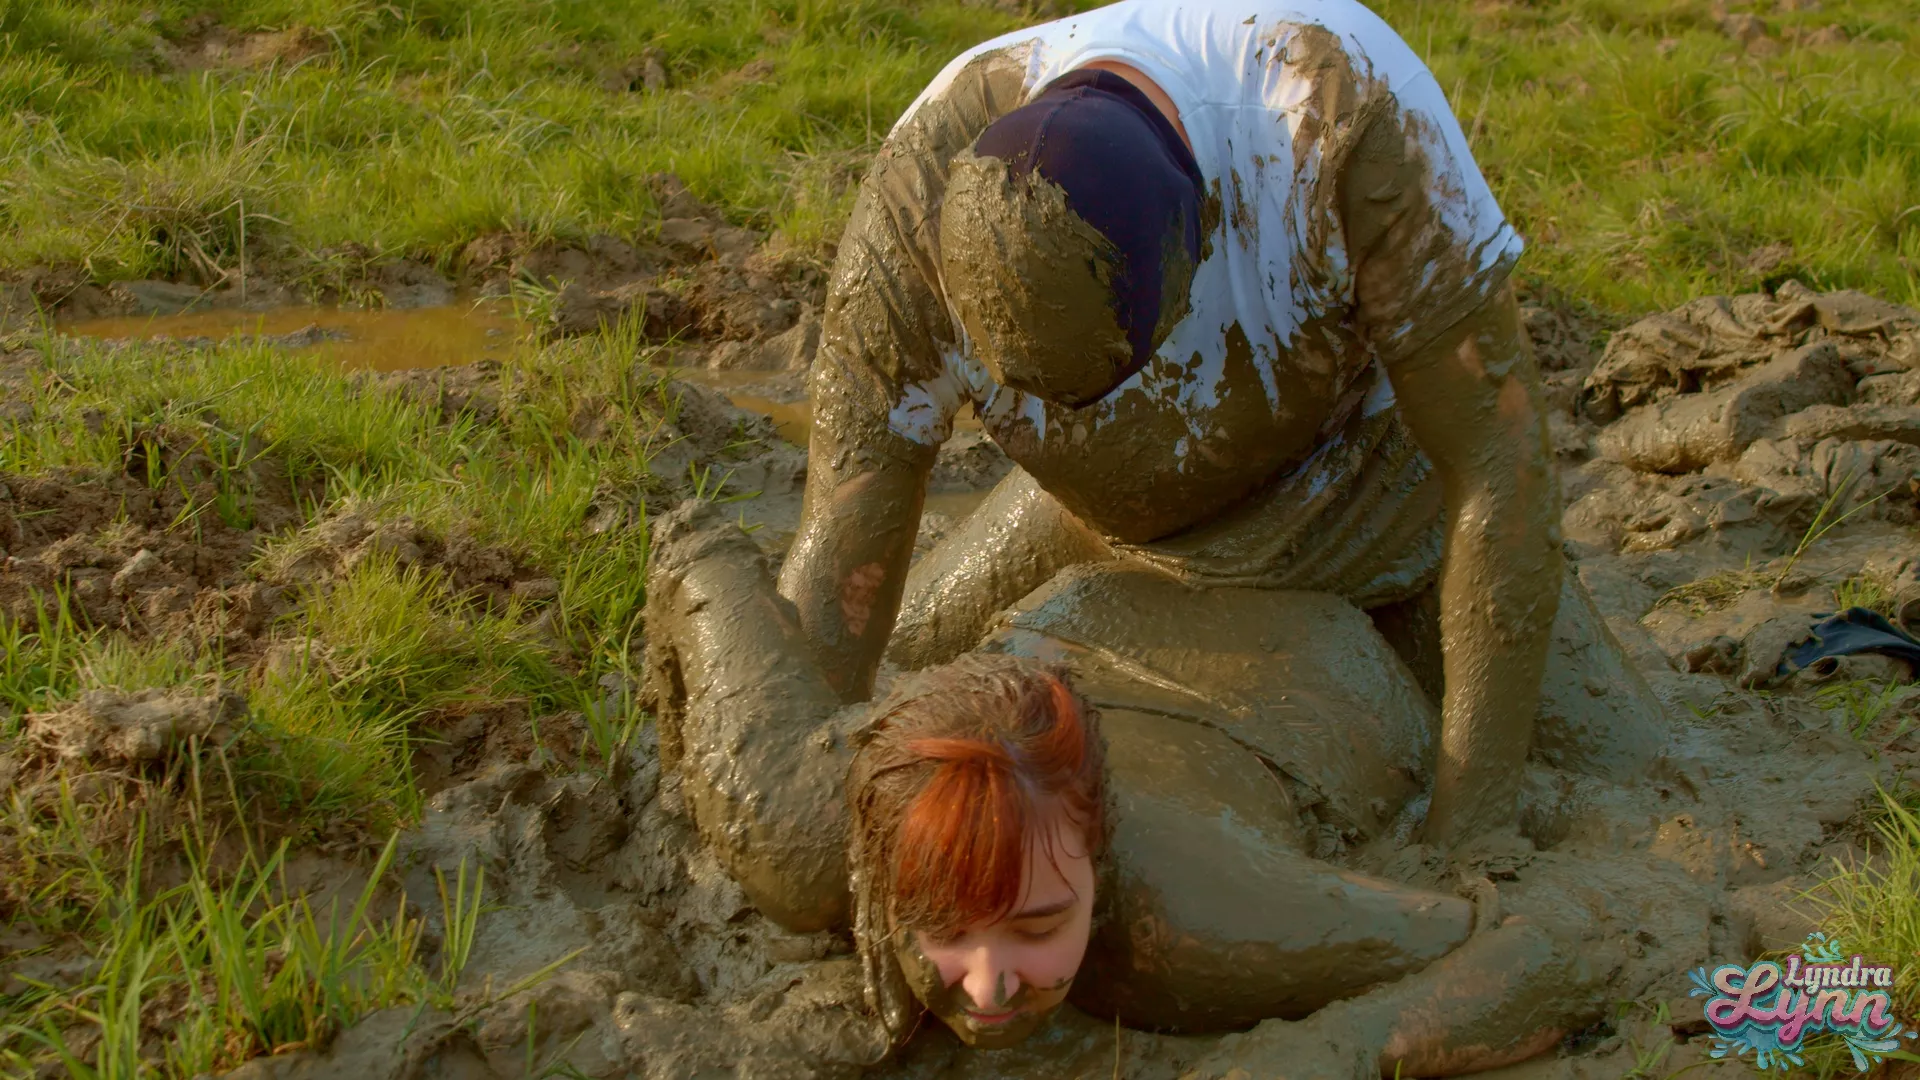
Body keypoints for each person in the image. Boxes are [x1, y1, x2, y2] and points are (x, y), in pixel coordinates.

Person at [774, 0, 1667, 846]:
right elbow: (856, 495)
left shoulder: (1337, 115)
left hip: (1373, 516)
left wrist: (1472, 828)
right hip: (1102, 520)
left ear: (1207, 227)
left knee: (1638, 780)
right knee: (895, 666)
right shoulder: (919, 179)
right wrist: (817, 789)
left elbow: (1499, 464)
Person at [640, 500, 1610, 1074]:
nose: (988, 987)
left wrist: (1314, 1055)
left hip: (1332, 625)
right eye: (945, 929)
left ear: (1099, 869)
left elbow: (1546, 950)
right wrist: (685, 551)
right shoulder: (811, 830)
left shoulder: (1197, 923)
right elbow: (696, 557)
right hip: (1089, 573)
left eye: (1036, 924)